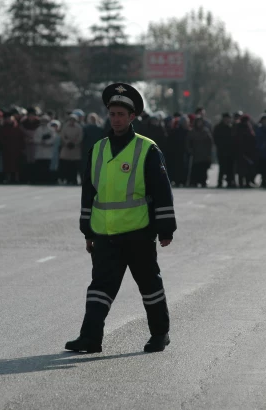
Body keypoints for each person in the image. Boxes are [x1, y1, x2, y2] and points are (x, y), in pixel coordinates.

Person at [65, 83, 177, 354]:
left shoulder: (147, 149)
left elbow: (162, 191)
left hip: (138, 232)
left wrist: (165, 229)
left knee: (150, 287)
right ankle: (90, 338)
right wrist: (87, 231)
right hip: (105, 233)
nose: (115, 119)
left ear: (132, 117)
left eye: (120, 114)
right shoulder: (98, 149)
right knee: (100, 288)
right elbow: (88, 193)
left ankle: (160, 334)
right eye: (112, 113)